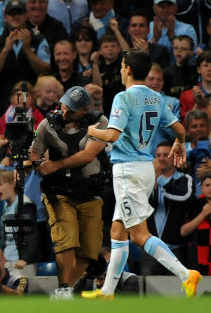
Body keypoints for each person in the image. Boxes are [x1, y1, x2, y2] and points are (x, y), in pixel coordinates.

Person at [83, 49, 201, 299]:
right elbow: (179, 127)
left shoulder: (123, 97)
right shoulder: (156, 97)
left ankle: (185, 274)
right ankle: (107, 291)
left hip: (128, 171)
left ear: (125, 68)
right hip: (144, 169)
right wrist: (179, 141)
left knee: (139, 235)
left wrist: (91, 130)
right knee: (117, 231)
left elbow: (112, 135)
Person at [30, 86, 107, 299]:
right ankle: (64, 288)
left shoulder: (99, 122)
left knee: (89, 251)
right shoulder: (47, 124)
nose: (65, 113)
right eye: (64, 106)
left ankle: (63, 291)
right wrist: (29, 162)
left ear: (84, 110)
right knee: (67, 239)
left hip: (90, 191)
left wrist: (55, 164)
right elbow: (34, 152)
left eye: (71, 110)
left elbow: (88, 155)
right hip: (59, 192)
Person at [0, 0, 51, 122]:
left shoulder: (38, 40)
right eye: (12, 14)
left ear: (26, 15)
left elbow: (45, 71)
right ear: (5, 17)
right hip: (2, 104)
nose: (15, 17)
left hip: (32, 105)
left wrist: (27, 48)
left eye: (19, 13)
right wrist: (5, 50)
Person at [142, 141, 195, 276]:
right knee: (148, 289)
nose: (161, 158)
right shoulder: (146, 180)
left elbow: (185, 199)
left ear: (175, 158)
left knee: (178, 288)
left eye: (166, 155)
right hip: (151, 247)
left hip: (176, 247)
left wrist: (161, 179)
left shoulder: (185, 179)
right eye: (158, 155)